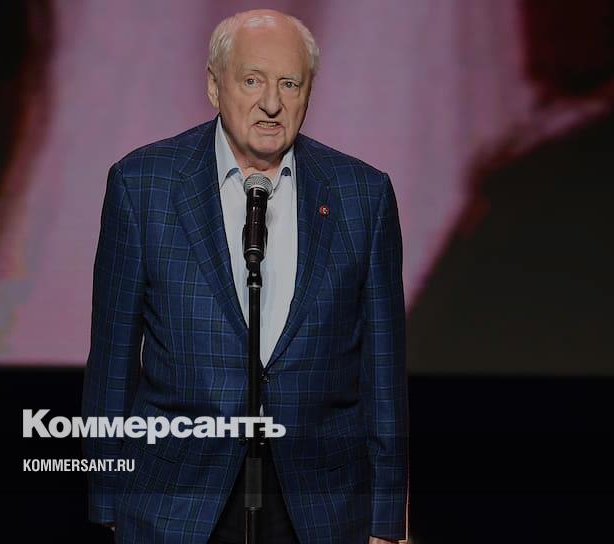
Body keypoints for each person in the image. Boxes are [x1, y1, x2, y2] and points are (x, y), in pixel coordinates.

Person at [82, 9, 408, 543]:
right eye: (252, 80)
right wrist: (106, 495)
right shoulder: (142, 187)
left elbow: (384, 374)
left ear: (308, 92)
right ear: (215, 86)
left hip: (320, 506)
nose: (271, 103)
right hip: (175, 503)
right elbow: (112, 362)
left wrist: (387, 517)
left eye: (289, 84)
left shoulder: (362, 196)